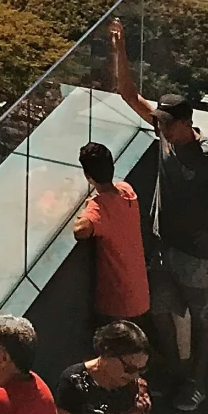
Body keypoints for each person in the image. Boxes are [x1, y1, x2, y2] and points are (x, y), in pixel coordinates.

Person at [110, 17, 208, 410]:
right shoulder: (163, 134)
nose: (163, 131)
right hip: (164, 247)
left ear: (186, 124)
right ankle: (177, 375)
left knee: (207, 318)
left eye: (169, 126)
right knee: (160, 309)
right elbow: (129, 94)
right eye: (160, 124)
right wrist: (120, 51)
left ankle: (197, 382)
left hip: (201, 257)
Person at [73, 140, 151, 326]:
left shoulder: (99, 209)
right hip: (140, 293)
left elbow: (80, 231)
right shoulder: (127, 191)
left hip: (117, 302)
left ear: (87, 176)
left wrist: (86, 210)